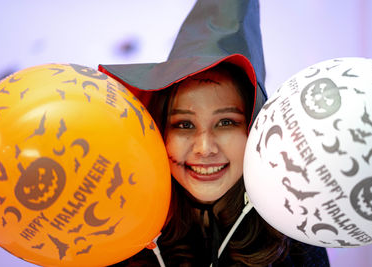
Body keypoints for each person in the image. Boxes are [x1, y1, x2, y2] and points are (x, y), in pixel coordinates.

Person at [100, 0, 330, 266]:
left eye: (226, 123)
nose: (205, 148)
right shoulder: (119, 230)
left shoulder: (295, 236)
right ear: (160, 131)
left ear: (255, 130)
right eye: (184, 125)